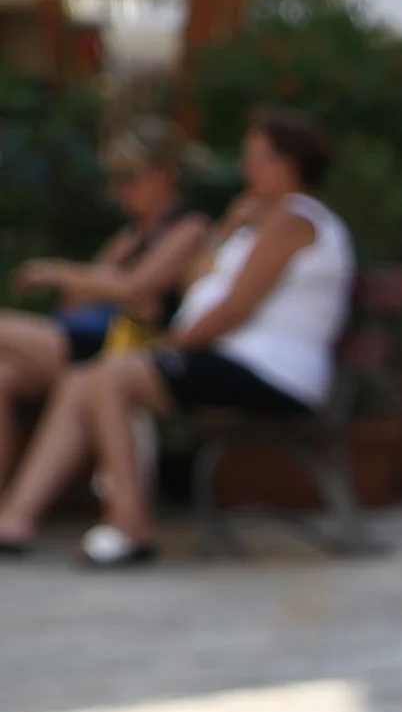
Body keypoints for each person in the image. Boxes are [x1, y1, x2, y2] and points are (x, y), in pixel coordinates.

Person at [0, 109, 353, 569]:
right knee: (83, 381)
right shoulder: (259, 222)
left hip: (269, 370)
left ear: (288, 165)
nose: (247, 170)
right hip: (238, 360)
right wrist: (229, 230)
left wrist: (171, 345)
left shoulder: (293, 219)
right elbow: (206, 289)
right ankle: (17, 517)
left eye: (256, 159)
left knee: (111, 378)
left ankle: (130, 525)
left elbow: (232, 309)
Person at [0, 122, 210, 491]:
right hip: (86, 335)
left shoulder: (189, 228)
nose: (120, 191)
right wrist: (95, 283)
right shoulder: (130, 237)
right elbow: (81, 299)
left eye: (129, 178)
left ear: (163, 175)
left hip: (128, 347)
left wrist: (61, 273)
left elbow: (135, 286)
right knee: (3, 375)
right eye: (115, 180)